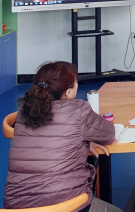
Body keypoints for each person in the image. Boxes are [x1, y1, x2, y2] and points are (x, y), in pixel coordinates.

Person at [4, 61, 119, 212]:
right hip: (66, 206)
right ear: (68, 92)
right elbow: (109, 134)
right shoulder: (79, 110)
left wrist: (82, 140)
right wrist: (86, 139)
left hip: (16, 207)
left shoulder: (24, 112)